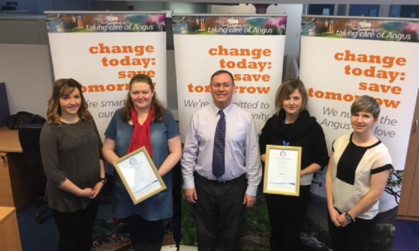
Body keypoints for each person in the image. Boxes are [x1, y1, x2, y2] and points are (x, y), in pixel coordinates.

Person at [181, 69, 262, 251]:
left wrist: (252, 188)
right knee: (205, 235)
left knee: (231, 236)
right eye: (217, 85)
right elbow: (189, 154)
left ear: (234, 88)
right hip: (204, 185)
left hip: (235, 186)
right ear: (210, 88)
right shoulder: (198, 117)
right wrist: (188, 183)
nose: (221, 89)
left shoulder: (245, 119)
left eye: (226, 85)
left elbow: (252, 155)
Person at [102, 74, 182, 251]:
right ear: (129, 94)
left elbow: (176, 151)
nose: (141, 96)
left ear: (152, 93)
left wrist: (155, 174)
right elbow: (107, 149)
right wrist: (124, 170)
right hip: (128, 185)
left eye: (145, 92)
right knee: (135, 226)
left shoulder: (165, 117)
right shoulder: (119, 117)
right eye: (136, 92)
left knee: (155, 228)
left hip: (156, 184)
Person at [259, 78, 329, 251]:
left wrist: (299, 173)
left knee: (292, 230)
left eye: (296, 98)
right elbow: (260, 151)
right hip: (274, 185)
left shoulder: (312, 128)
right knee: (276, 228)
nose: (291, 103)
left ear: (303, 100)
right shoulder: (271, 124)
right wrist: (273, 161)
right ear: (280, 100)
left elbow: (321, 159)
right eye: (287, 98)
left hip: (299, 185)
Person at [40, 78, 105, 251]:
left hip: (92, 191)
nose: (73, 102)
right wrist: (78, 192)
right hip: (66, 198)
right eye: (66, 98)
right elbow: (52, 172)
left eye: (76, 96)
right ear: (57, 100)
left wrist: (101, 180)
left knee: (86, 235)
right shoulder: (51, 129)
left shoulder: (87, 120)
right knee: (70, 240)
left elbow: (99, 151)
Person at [325, 95, 393, 251]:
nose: (359, 120)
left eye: (366, 116)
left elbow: (375, 194)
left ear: (375, 120)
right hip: (335, 212)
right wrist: (330, 208)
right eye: (356, 114)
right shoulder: (340, 141)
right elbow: (330, 175)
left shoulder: (380, 154)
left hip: (360, 218)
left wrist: (349, 216)